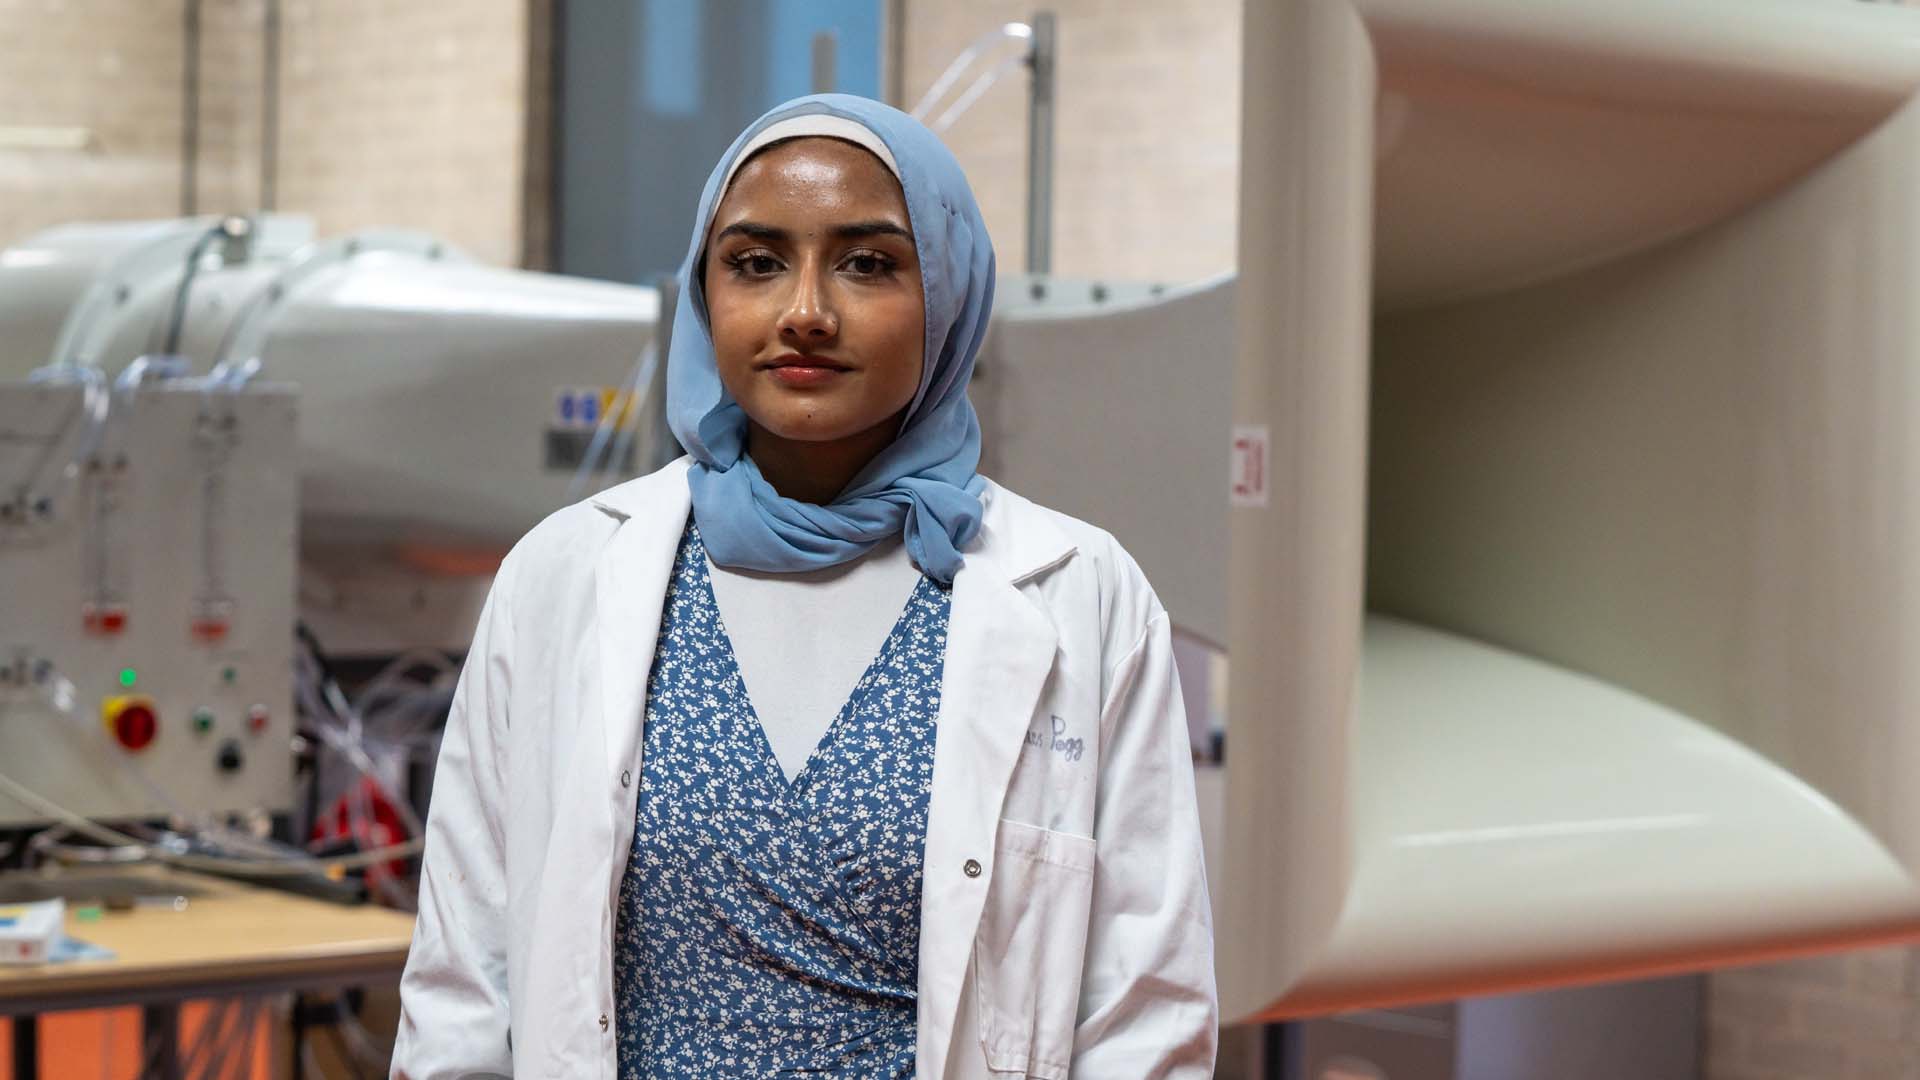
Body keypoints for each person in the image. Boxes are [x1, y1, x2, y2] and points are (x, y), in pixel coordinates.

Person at [393, 93, 1216, 1079]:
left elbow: (1145, 1016)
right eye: (756, 262)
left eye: (868, 263)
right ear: (705, 293)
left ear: (949, 293)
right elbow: (463, 981)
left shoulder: (1083, 593)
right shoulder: (564, 574)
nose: (805, 313)